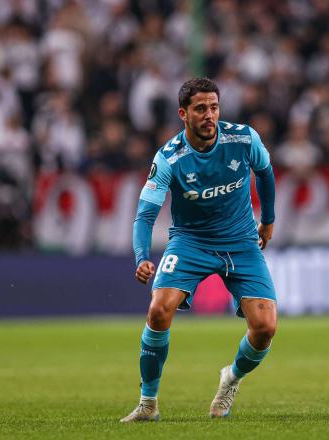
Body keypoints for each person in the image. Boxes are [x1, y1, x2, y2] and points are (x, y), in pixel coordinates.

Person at [121, 77, 278, 422]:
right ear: (183, 113)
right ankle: (148, 403)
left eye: (214, 107)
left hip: (240, 242)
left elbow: (265, 173)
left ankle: (231, 378)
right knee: (159, 310)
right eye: (201, 109)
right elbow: (145, 214)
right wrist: (141, 257)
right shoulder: (169, 157)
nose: (210, 115)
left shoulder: (243, 138)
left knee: (265, 327)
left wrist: (268, 220)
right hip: (190, 242)